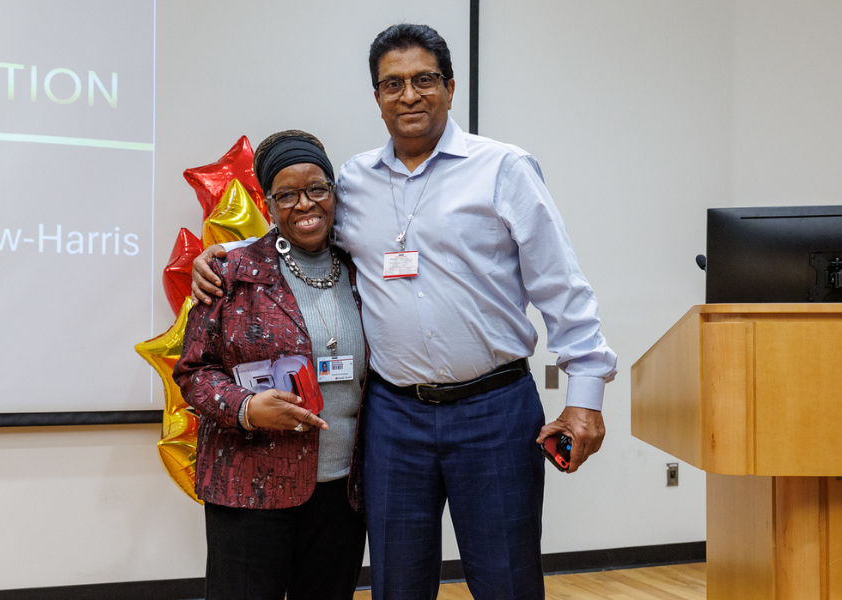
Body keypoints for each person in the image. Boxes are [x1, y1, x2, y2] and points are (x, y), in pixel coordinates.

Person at [191, 24, 617, 600]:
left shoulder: (503, 169)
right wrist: (220, 257)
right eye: (392, 84)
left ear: (449, 86)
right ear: (376, 97)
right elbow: (297, 228)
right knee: (397, 584)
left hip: (493, 410)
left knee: (507, 580)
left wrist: (585, 399)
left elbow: (564, 289)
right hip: (394, 419)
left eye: (423, 80)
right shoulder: (355, 181)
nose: (409, 95)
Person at [173, 130, 368, 600]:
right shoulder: (229, 271)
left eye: (317, 188)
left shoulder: (365, 268)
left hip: (342, 490)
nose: (305, 204)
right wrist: (245, 408)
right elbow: (194, 371)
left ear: (334, 192)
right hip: (249, 485)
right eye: (287, 194)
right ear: (267, 203)